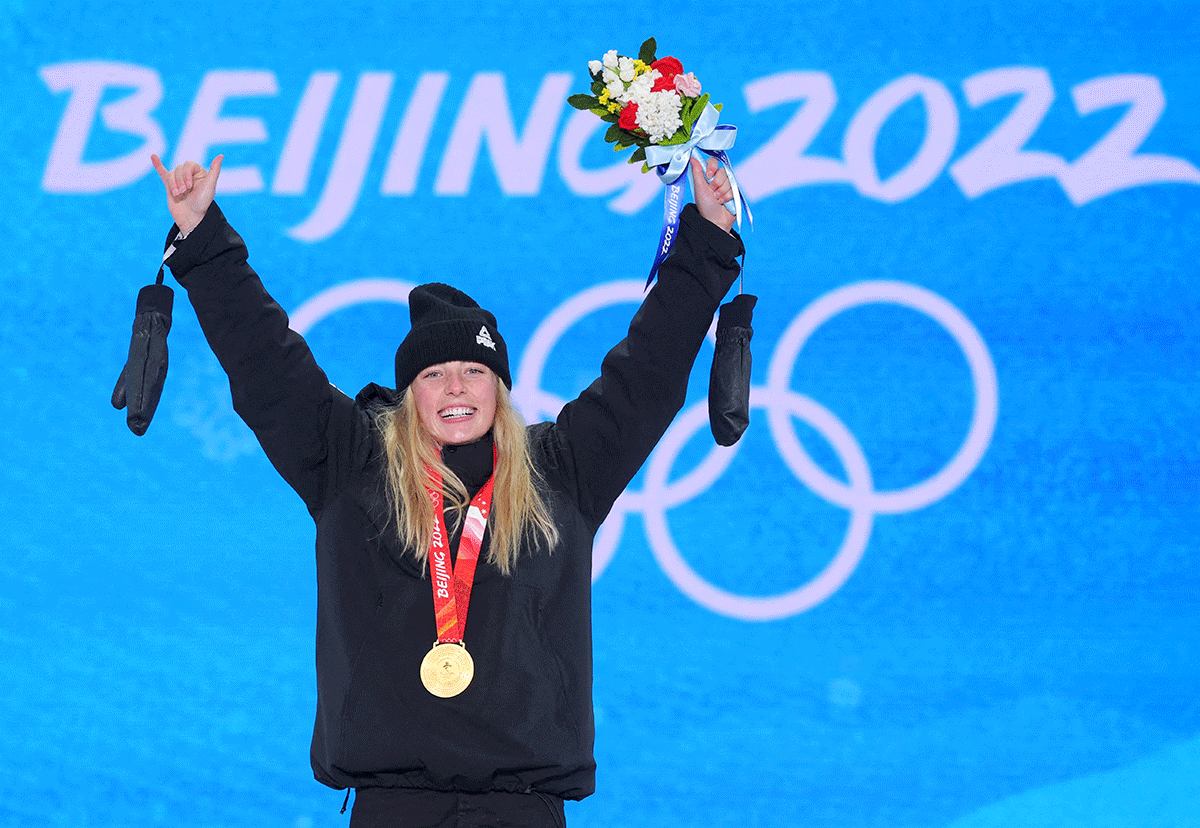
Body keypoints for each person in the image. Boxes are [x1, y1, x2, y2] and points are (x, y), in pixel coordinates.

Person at [150, 150, 743, 827]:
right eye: (434, 374)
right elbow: (266, 362)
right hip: (391, 807)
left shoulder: (564, 467)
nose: (456, 385)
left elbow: (650, 370)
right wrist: (203, 242)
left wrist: (706, 238)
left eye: (474, 369)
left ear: (501, 387)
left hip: (525, 809)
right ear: (407, 395)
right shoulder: (349, 462)